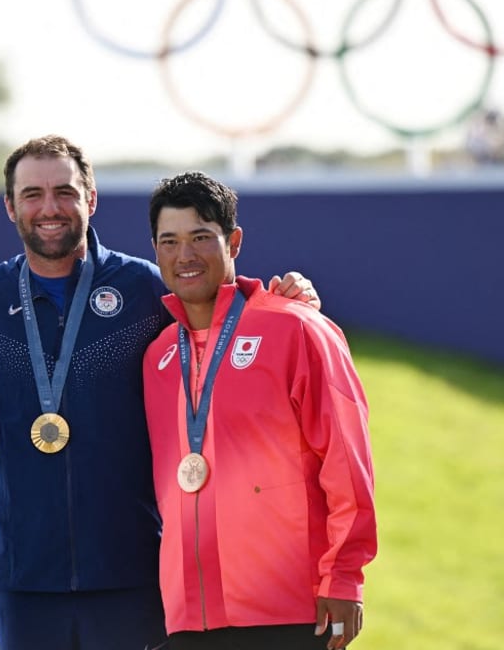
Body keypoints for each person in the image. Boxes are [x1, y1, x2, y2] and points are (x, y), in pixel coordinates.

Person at [0, 134, 319, 649]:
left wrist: (289, 298)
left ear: (91, 197)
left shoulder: (145, 289)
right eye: (33, 194)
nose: (50, 208)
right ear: (10, 206)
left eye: (64, 191)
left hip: (134, 568)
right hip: (25, 573)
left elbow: (220, 327)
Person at [142, 171, 376, 650]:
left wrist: (344, 579)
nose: (185, 256)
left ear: (235, 241)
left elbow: (346, 463)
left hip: (288, 608)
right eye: (170, 241)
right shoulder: (158, 357)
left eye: (201, 238)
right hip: (189, 618)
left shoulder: (297, 329)